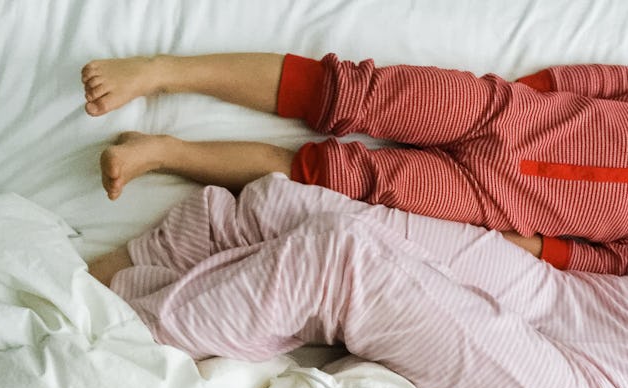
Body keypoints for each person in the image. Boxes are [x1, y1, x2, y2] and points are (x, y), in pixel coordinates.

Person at [89, 174, 628, 388]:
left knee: (340, 258)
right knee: (277, 209)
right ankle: (89, 284)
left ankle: (100, 360)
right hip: (595, 303)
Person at [81, 52, 628, 274]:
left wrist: (536, 249)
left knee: (333, 180)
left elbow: (611, 261)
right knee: (347, 91)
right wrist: (538, 90)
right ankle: (162, 72)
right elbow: (613, 81)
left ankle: (165, 153)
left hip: (494, 200)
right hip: (507, 116)